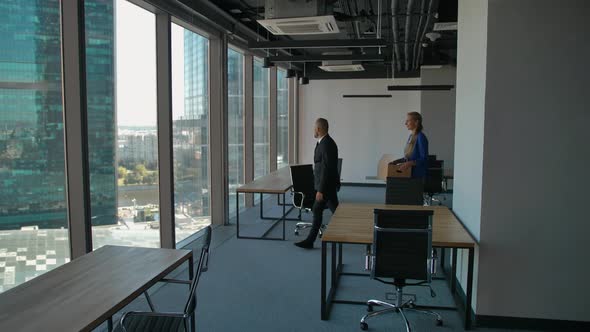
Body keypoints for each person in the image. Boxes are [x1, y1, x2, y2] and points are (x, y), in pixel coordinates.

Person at [295, 118, 340, 249]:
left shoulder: (326, 144)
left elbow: (326, 169)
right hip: (328, 186)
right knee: (336, 211)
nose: (313, 130)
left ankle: (310, 241)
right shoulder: (324, 142)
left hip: (326, 187)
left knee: (317, 209)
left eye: (314, 128)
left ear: (319, 129)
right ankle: (350, 228)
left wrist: (320, 190)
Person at [397, 112, 429, 178]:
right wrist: (395, 162)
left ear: (416, 122)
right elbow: (408, 157)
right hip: (408, 173)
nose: (405, 123)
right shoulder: (411, 136)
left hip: (417, 175)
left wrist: (409, 163)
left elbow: (424, 159)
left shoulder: (421, 137)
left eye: (408, 121)